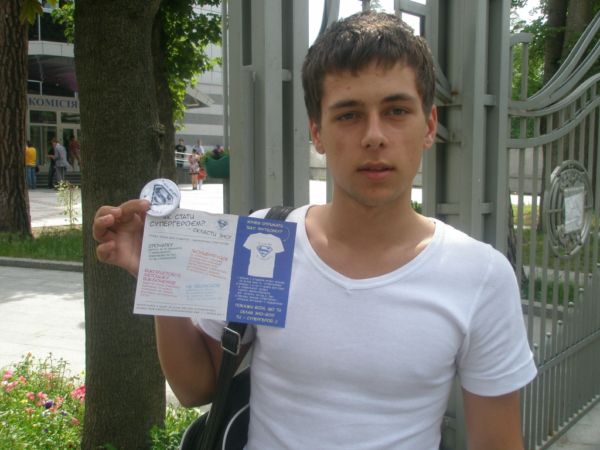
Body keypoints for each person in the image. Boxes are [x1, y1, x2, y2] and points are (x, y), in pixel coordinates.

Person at [93, 11, 536, 449]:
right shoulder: (266, 240)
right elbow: (196, 387)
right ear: (317, 132)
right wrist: (160, 273)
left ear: (429, 126)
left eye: (397, 110)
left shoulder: (479, 276)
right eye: (349, 115)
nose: (374, 136)